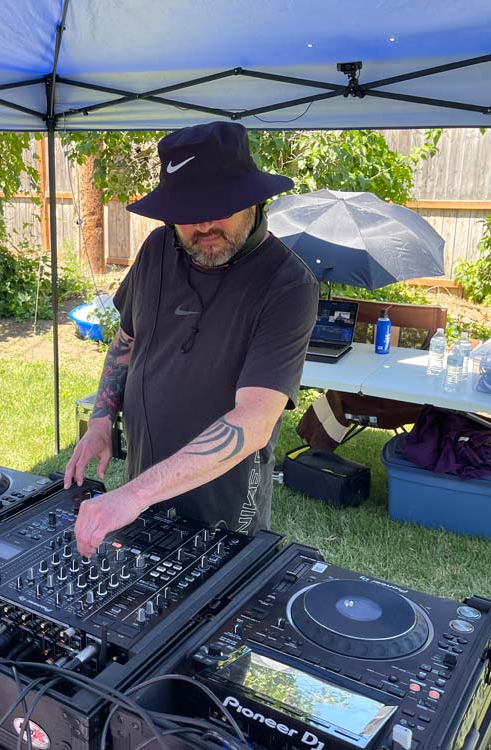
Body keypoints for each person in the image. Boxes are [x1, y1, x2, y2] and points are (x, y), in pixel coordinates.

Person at [64, 121, 318, 557]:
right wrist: (102, 420)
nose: (202, 224)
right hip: (144, 490)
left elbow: (255, 421)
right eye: (187, 212)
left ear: (253, 199)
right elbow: (126, 340)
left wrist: (131, 495)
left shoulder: (288, 284)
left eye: (219, 207)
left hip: (226, 506)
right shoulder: (158, 249)